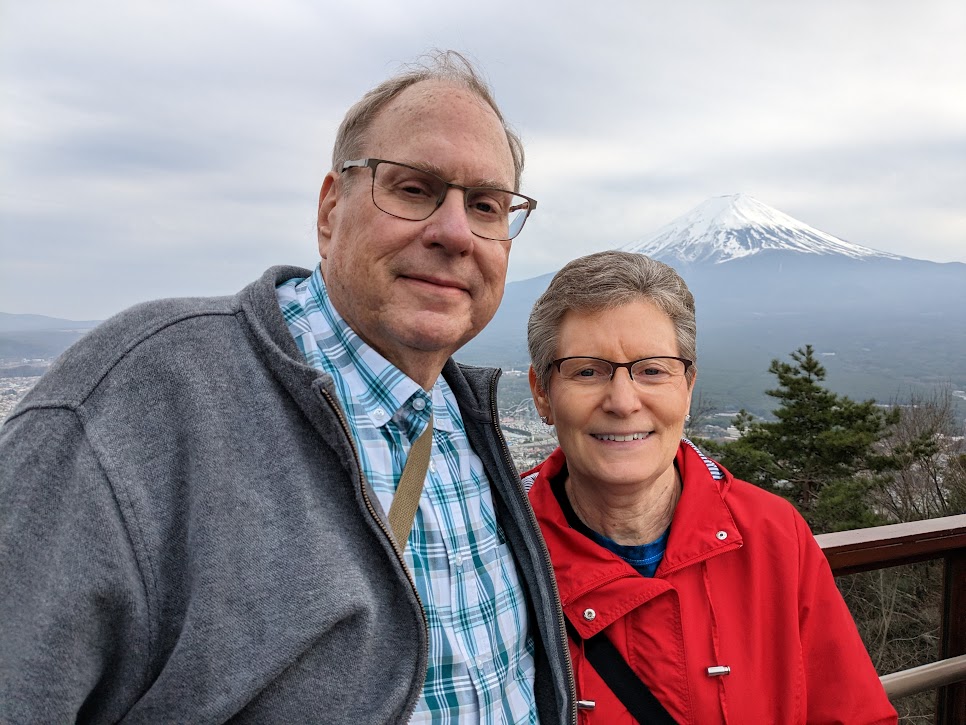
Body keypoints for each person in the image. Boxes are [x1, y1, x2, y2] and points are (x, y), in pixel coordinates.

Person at [0, 51, 575, 723]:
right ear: (331, 209)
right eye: (414, 188)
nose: (454, 232)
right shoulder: (144, 397)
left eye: (486, 205)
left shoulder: (463, 421)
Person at [522, 250, 897, 724]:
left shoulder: (772, 534)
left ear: (688, 385)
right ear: (542, 393)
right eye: (587, 371)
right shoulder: (495, 545)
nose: (622, 401)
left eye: (652, 370)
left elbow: (852, 713)